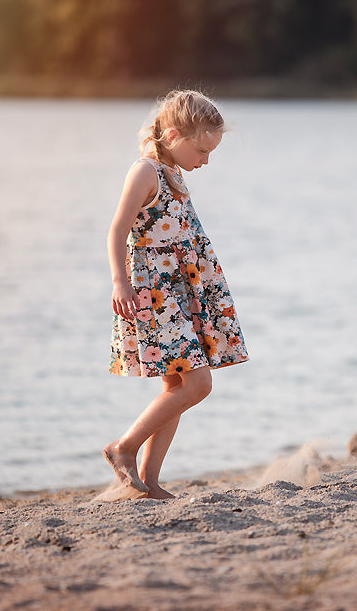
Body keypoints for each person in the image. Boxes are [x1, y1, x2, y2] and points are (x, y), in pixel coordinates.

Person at [103, 90, 249, 499]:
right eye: (202, 150)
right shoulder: (145, 172)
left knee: (176, 387)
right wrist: (119, 282)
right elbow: (117, 230)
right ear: (172, 136)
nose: (206, 161)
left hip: (180, 294)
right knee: (198, 384)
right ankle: (123, 448)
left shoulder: (173, 172)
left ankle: (148, 482)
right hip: (155, 295)